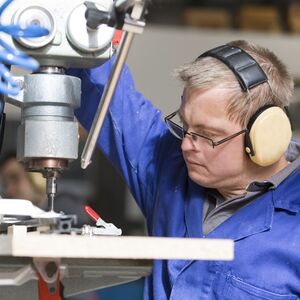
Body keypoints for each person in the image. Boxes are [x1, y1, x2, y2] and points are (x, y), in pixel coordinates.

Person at [68, 40, 300, 299]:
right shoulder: (167, 166)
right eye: (185, 125)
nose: (187, 145)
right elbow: (103, 93)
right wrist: (84, 35)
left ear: (266, 136)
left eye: (207, 134)